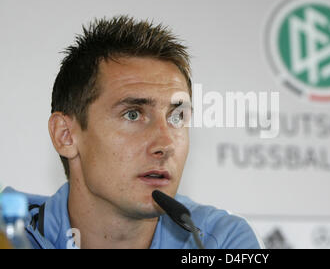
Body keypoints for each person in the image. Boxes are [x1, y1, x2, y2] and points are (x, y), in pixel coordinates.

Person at [1, 16, 262, 249]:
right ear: (66, 136)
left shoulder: (220, 241)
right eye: (133, 114)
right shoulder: (9, 237)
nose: (165, 143)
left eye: (177, 117)